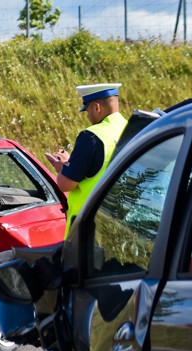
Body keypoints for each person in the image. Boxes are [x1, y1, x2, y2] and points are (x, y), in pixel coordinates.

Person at [45, 83, 128, 237]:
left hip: (88, 226)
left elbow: (65, 184)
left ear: (96, 107)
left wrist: (63, 167)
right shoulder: (130, 129)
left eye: (87, 110)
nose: (88, 116)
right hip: (119, 222)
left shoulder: (92, 136)